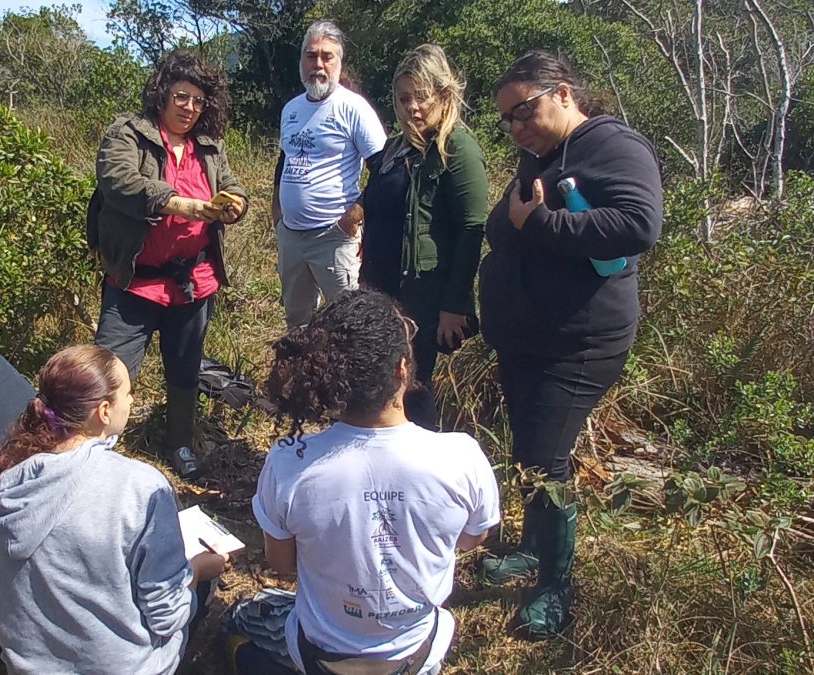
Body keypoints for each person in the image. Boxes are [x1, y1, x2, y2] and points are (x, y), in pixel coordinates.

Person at [478, 50, 663, 639]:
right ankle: (533, 552)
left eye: (524, 110)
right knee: (532, 453)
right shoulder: (542, 154)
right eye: (508, 118)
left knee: (549, 460)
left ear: (562, 93)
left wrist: (540, 225)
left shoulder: (614, 147)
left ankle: (554, 587)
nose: (517, 126)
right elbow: (512, 220)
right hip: (528, 337)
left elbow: (639, 226)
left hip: (578, 343)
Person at [0, 345, 228, 674]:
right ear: (103, 410)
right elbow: (166, 615)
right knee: (201, 585)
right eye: (128, 393)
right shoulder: (138, 487)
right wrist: (197, 571)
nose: (131, 401)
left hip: (28, 665)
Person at [249, 290, 501, 674]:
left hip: (319, 654)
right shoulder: (460, 458)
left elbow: (282, 563)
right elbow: (470, 539)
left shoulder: (290, 462)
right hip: (417, 653)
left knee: (242, 617)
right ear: (402, 368)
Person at [91, 49, 248, 480]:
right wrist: (179, 203)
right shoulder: (128, 134)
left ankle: (180, 442)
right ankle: (93, 456)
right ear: (162, 93)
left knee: (184, 370)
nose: (190, 108)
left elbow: (233, 187)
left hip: (194, 283)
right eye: (182, 96)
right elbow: (119, 181)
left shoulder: (209, 147)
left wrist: (235, 205)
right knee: (108, 374)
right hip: (135, 285)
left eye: (199, 101)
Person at [360, 44, 489, 430]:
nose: (412, 107)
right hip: (379, 287)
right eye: (403, 99)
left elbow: (471, 229)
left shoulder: (457, 149)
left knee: (414, 384)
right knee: (382, 382)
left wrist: (454, 305)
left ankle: (425, 472)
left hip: (424, 295)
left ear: (444, 95)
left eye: (422, 97)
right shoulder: (393, 150)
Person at [274, 20, 387, 327]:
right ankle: (303, 375)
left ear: (339, 62)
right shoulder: (291, 110)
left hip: (334, 237)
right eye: (311, 56)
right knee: (297, 321)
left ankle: (349, 377)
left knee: (345, 323)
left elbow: (384, 168)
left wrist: (355, 214)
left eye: (327, 56)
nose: (318, 64)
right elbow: (284, 160)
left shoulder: (353, 108)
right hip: (292, 237)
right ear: (301, 61)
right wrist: (278, 214)